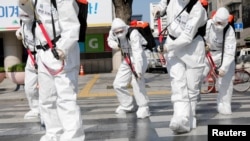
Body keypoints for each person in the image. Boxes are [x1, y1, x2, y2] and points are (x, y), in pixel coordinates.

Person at [18, 0, 85, 140]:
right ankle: (53, 132)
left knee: (65, 97)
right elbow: (30, 16)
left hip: (61, 50)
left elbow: (72, 26)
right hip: (43, 52)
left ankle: (73, 136)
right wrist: (23, 3)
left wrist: (63, 48)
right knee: (46, 98)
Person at [152, 0, 208, 133]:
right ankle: (180, 119)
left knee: (191, 88)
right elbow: (163, 4)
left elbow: (187, 37)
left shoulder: (197, 9)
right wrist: (158, 10)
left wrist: (167, 47)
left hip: (192, 48)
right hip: (172, 44)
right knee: (177, 83)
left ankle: (190, 116)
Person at [107, 18, 151, 119]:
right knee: (118, 84)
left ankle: (144, 107)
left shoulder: (133, 33)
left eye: (121, 31)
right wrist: (116, 45)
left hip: (142, 55)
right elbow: (109, 41)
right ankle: (127, 105)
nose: (119, 34)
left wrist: (138, 70)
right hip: (127, 56)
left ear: (125, 28)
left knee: (136, 81)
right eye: (117, 32)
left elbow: (137, 52)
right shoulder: (112, 32)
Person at [203, 7, 236, 115]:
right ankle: (191, 101)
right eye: (217, 22)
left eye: (221, 23)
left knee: (226, 81)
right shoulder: (208, 24)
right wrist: (203, 45)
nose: (219, 25)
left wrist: (224, 68)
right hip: (208, 54)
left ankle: (224, 104)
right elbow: (200, 37)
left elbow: (229, 51)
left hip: (223, 55)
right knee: (197, 74)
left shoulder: (229, 31)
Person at [15, 7, 40, 120]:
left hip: (42, 55)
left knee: (49, 86)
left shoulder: (40, 22)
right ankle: (35, 108)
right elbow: (22, 30)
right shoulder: (24, 24)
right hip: (31, 57)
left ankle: (50, 109)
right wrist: (20, 32)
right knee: (29, 87)